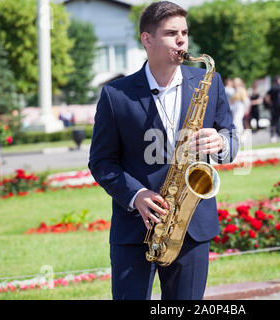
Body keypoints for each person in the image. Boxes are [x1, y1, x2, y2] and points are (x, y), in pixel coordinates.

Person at [88, 1, 238, 300]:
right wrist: (136, 195)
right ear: (147, 39)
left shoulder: (210, 81)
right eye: (171, 33)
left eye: (184, 32)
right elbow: (102, 161)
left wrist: (221, 143)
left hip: (192, 227)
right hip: (135, 230)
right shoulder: (116, 95)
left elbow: (231, 138)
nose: (182, 40)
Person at [264, 76, 280, 142]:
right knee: (275, 122)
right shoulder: (274, 88)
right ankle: (274, 136)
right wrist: (271, 104)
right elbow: (267, 97)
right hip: (275, 108)